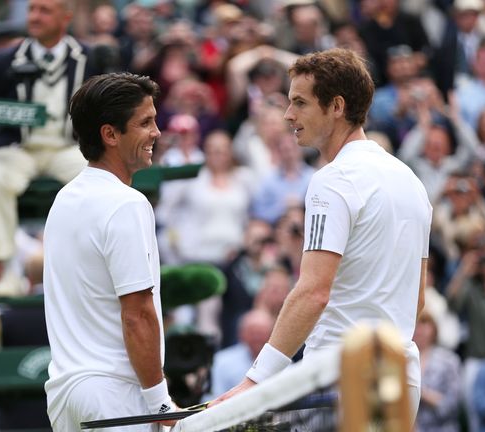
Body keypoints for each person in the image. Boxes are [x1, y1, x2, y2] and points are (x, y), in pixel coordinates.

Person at [212, 48, 433, 422]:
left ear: (336, 107)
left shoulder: (332, 181)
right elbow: (418, 300)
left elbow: (314, 290)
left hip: (341, 379)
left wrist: (256, 379)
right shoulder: (411, 182)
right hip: (400, 379)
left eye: (300, 102)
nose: (288, 114)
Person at [0, 0, 99, 295]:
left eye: (44, 11)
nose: (35, 17)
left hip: (67, 148)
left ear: (66, 18)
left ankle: (86, 267)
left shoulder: (91, 58)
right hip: (17, 149)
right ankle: (9, 267)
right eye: (32, 9)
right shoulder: (2, 60)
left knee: (99, 180)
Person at [43, 72, 174, 431]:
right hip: (116, 402)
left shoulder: (64, 200)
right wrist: (161, 404)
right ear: (110, 134)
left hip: (66, 401)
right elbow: (137, 314)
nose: (156, 133)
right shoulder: (127, 204)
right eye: (145, 122)